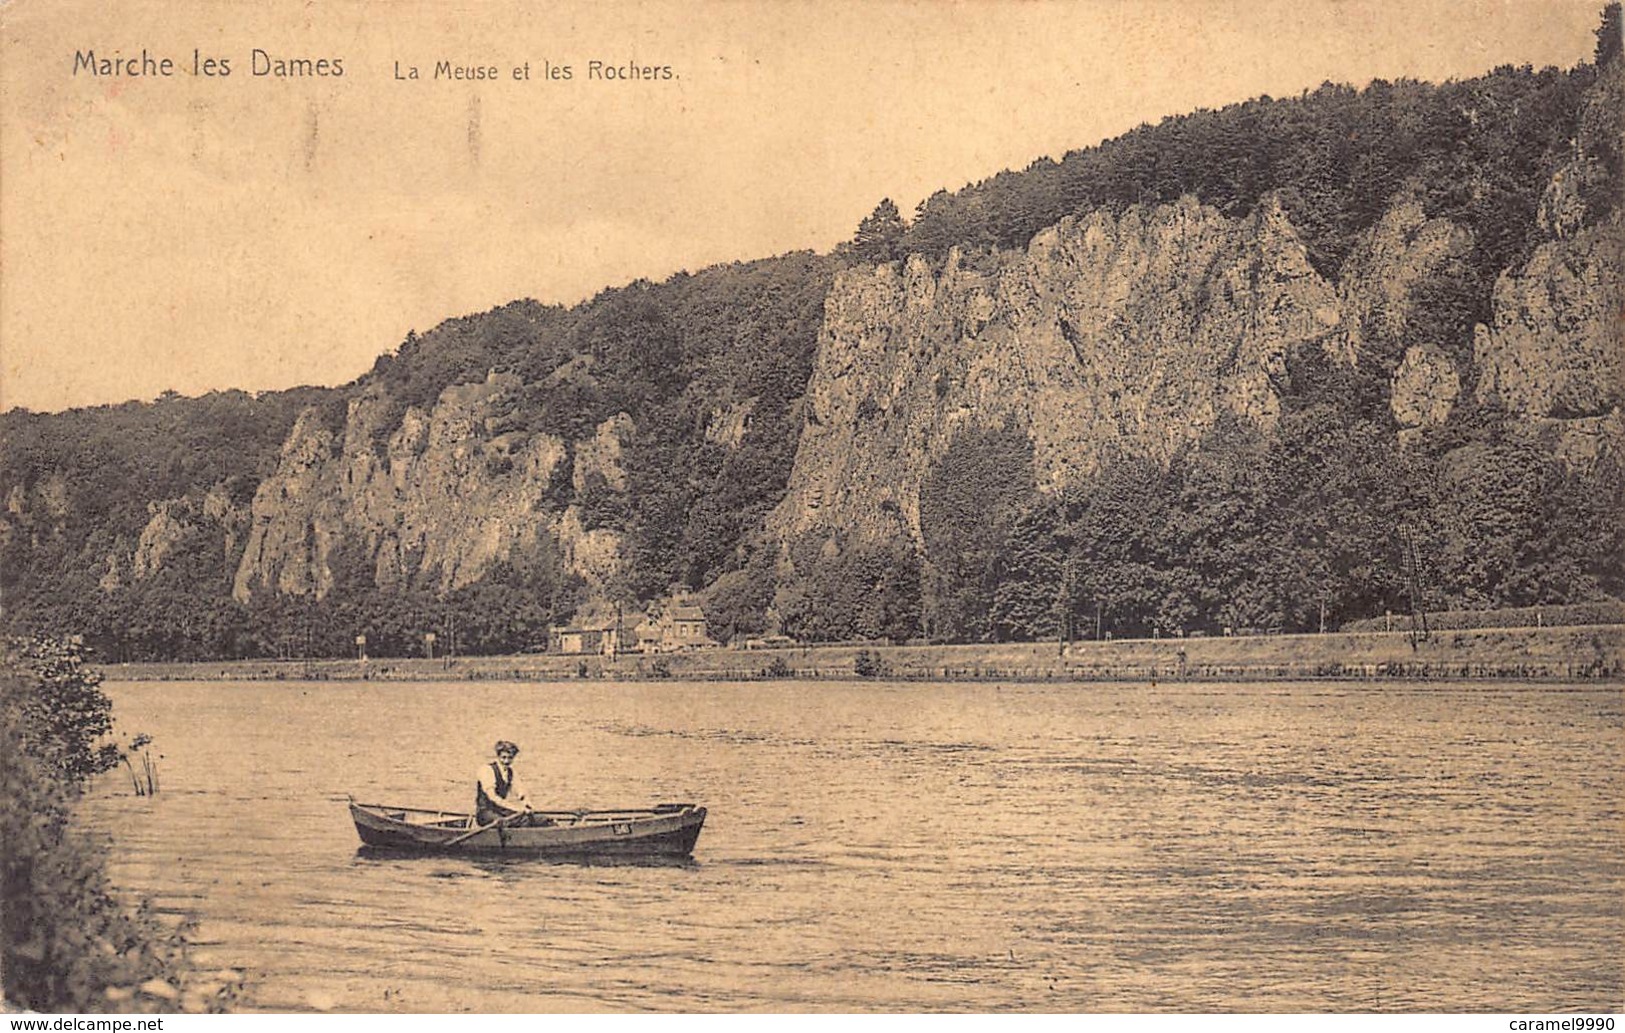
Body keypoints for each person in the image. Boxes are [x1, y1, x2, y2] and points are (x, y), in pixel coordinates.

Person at [474, 740, 536, 826]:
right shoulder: (487, 770)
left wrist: (527, 804)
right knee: (507, 823)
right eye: (503, 757)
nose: (506, 761)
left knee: (530, 819)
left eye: (510, 758)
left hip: (500, 811)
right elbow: (493, 797)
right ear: (498, 756)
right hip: (485, 813)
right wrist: (516, 808)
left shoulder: (511, 773)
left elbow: (521, 792)